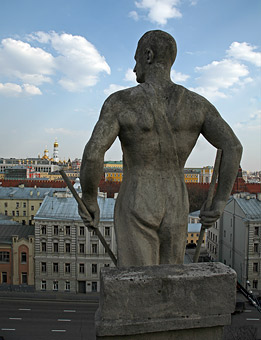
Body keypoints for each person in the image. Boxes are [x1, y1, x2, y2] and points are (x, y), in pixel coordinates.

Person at [79, 30, 242, 267]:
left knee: (138, 282)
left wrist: (89, 198)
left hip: (138, 198)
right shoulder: (197, 105)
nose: (134, 69)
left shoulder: (120, 102)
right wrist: (218, 202)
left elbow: (93, 153)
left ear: (148, 55)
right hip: (176, 202)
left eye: (135, 60)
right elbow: (233, 147)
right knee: (171, 282)